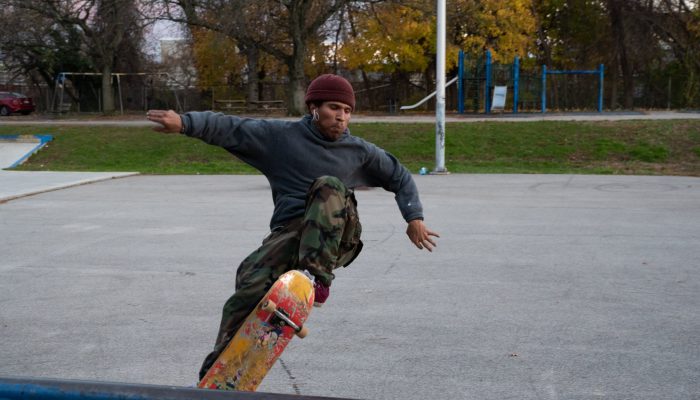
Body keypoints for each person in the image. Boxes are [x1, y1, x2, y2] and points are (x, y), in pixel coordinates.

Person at [146, 74, 439, 380]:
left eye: (347, 111)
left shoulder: (359, 151)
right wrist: (185, 123)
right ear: (313, 106)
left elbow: (399, 175)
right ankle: (221, 367)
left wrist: (413, 217)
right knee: (249, 278)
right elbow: (231, 128)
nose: (341, 117)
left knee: (328, 186)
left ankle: (315, 279)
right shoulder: (280, 138)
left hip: (337, 235)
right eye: (334, 108)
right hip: (292, 233)